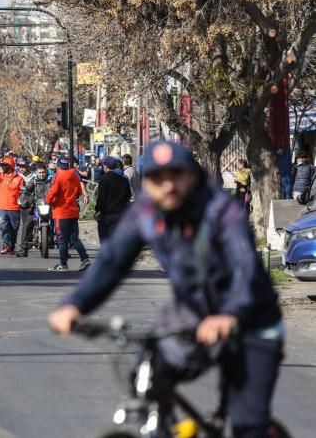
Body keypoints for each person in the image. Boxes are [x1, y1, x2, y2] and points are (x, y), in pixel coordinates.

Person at [48, 141, 283, 438]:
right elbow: (112, 262)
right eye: (158, 178)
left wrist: (230, 315)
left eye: (177, 175)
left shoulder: (221, 211)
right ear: (146, 182)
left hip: (251, 319)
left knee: (248, 423)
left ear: (193, 176)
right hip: (191, 314)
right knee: (147, 380)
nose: (168, 185)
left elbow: (245, 269)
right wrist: (76, 305)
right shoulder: (146, 213)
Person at [46, 156, 92, 271]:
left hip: (61, 212)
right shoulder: (75, 176)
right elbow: (79, 192)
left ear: (58, 165)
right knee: (74, 238)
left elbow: (52, 193)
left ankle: (63, 264)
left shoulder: (58, 177)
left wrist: (49, 202)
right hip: (73, 211)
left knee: (62, 239)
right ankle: (85, 260)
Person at [16, 163, 51, 257]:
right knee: (28, 223)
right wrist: (25, 196)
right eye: (40, 172)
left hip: (50, 205)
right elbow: (27, 190)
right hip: (37, 205)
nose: (42, 174)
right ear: (37, 172)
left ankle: (64, 249)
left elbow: (58, 189)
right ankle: (24, 248)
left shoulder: (52, 179)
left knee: (60, 223)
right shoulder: (34, 180)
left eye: (43, 172)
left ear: (46, 171)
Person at [95, 156, 133, 242]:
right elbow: (128, 195)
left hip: (107, 214)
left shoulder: (104, 179)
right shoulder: (124, 179)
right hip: (121, 214)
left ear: (106, 166)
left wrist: (97, 210)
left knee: (105, 240)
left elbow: (101, 197)